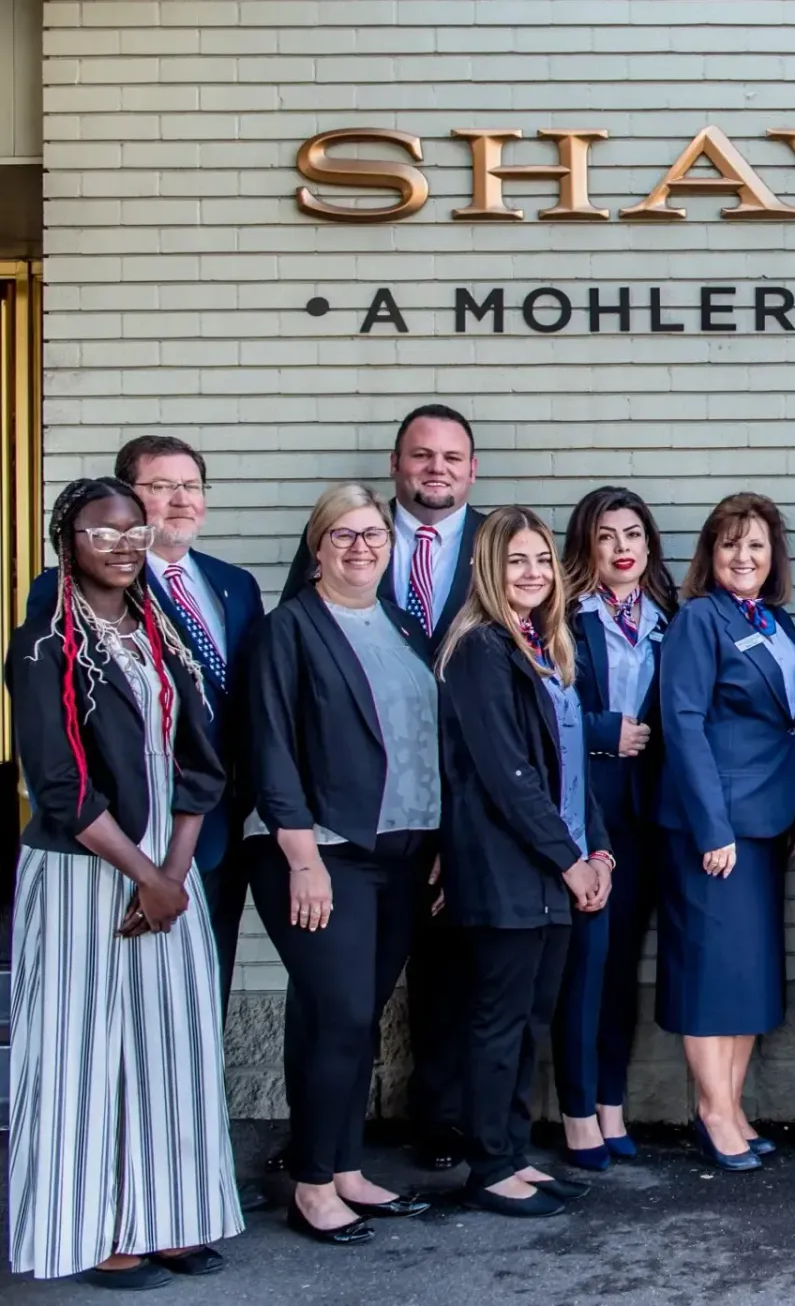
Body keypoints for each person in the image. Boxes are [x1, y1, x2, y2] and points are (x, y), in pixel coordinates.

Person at [7, 478, 242, 1287]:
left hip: (165, 874)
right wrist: (145, 875)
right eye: (99, 532)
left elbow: (201, 764)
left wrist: (174, 875)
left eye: (133, 531)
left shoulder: (160, 633)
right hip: (85, 873)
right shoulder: (43, 644)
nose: (119, 545)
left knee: (170, 1047)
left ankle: (171, 1216)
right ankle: (96, 1225)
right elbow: (62, 786)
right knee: (84, 1054)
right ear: (65, 540)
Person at [282, 402, 487, 1168]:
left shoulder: (498, 542)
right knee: (335, 991)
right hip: (347, 816)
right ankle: (322, 1144)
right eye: (421, 455)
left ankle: (442, 1120)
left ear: (473, 469)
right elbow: (294, 684)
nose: (436, 468)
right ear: (397, 465)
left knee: (449, 971)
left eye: (452, 457)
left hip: (456, 799)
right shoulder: (348, 539)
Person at [247, 484, 439, 1245]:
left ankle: (347, 1166)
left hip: (401, 852)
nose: (361, 547)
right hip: (320, 852)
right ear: (317, 545)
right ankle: (314, 1184)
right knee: (342, 1014)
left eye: (373, 535)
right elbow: (269, 749)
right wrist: (301, 856)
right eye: (344, 536)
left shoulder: (402, 622)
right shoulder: (288, 629)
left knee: (352, 1020)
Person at [436, 507, 615, 1217]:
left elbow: (573, 769)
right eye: (517, 561)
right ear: (488, 568)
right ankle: (488, 1166)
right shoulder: (481, 649)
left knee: (530, 1020)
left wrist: (597, 849)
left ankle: (512, 1154)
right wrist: (570, 860)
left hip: (558, 864)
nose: (534, 572)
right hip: (509, 868)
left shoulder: (546, 648)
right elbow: (509, 774)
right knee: (498, 1020)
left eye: (542, 559)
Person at [657, 493, 795, 1171]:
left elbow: (786, 722)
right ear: (709, 555)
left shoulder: (775, 622)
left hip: (766, 821)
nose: (743, 557)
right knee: (709, 974)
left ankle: (734, 1102)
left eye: (755, 545)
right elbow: (682, 721)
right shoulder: (699, 619)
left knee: (747, 976)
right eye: (729, 545)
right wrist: (711, 825)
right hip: (714, 824)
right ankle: (712, 1111)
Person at [555, 486, 676, 1169]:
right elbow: (548, 702)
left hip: (645, 817)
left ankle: (611, 1103)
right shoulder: (565, 617)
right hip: (585, 813)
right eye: (606, 536)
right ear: (586, 546)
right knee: (586, 965)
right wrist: (606, 732)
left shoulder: (668, 619)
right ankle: (576, 1110)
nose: (623, 548)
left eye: (633, 534)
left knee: (624, 966)